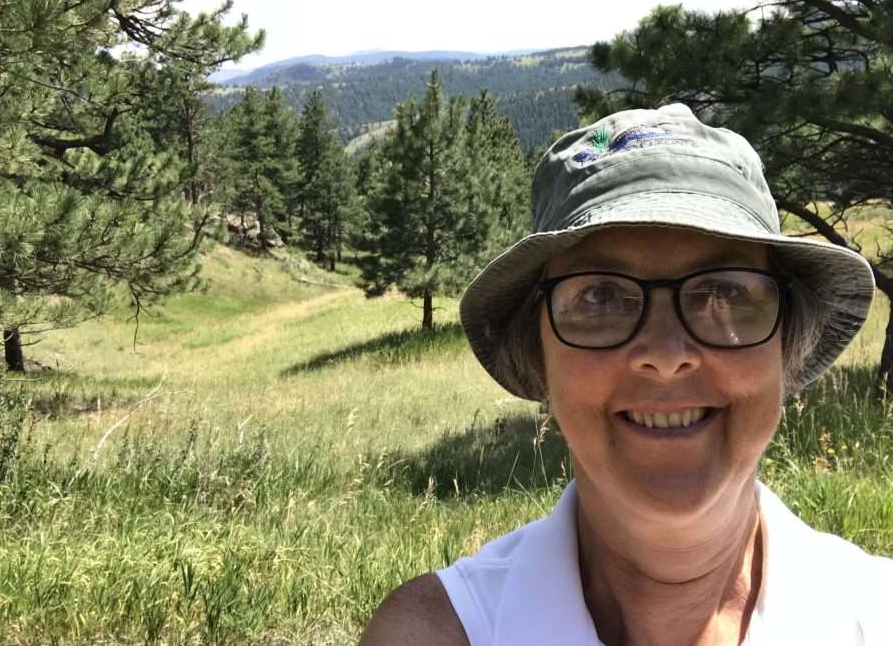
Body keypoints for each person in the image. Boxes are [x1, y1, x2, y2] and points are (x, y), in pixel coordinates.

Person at [360, 104, 892, 645]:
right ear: (538, 352)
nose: (665, 354)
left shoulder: (875, 616)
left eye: (727, 292)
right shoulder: (440, 632)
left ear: (786, 348)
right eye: (599, 296)